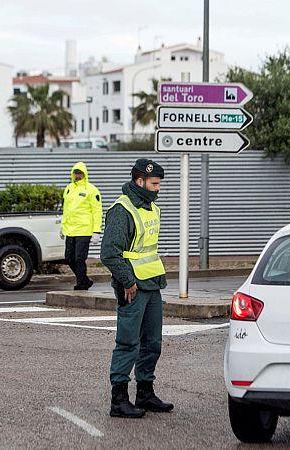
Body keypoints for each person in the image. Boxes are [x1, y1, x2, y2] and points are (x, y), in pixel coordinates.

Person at [101, 158, 173, 419]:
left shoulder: (153, 208)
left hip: (152, 283)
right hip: (131, 286)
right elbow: (109, 253)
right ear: (139, 181)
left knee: (152, 343)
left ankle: (145, 392)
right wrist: (127, 281)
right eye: (154, 184)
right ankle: (118, 400)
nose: (158, 189)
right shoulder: (122, 210)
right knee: (128, 342)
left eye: (159, 184)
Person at [61, 162, 102, 290]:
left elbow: (97, 211)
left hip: (84, 230)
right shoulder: (68, 188)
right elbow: (66, 210)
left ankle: (81, 284)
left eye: (80, 173)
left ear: (85, 174)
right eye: (76, 173)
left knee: (79, 258)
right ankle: (85, 280)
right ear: (72, 174)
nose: (78, 175)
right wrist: (63, 227)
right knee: (69, 258)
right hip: (70, 230)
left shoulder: (92, 190)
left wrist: (96, 231)